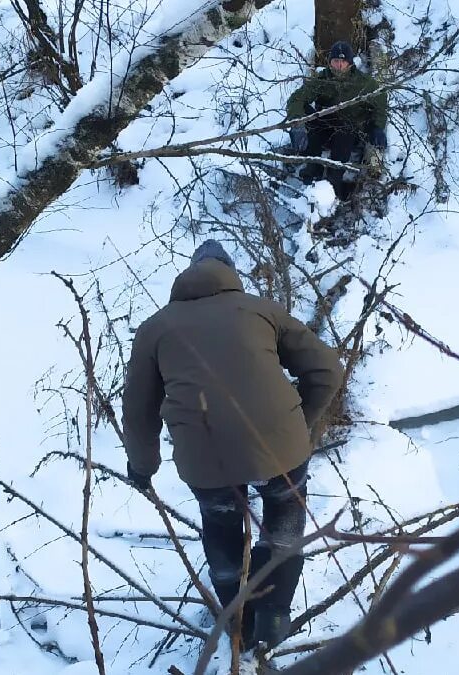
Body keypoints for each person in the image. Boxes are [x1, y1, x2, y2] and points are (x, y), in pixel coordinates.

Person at [122, 240, 344, 650]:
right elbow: (328, 370)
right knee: (283, 514)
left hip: (206, 459)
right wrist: (301, 426)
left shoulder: (155, 328)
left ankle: (237, 623)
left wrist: (142, 467)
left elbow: (139, 412)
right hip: (280, 446)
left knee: (221, 524)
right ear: (230, 275)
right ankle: (275, 612)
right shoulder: (261, 310)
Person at [285, 40, 388, 199]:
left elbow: (380, 103)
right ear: (330, 62)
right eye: (336, 61)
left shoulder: (364, 82)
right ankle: (313, 167)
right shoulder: (322, 79)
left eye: (343, 61)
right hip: (325, 126)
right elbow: (296, 99)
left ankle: (335, 178)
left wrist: (377, 127)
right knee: (311, 118)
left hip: (349, 131)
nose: (339, 65)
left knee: (345, 132)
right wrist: (297, 125)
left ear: (350, 63)